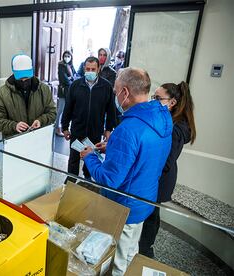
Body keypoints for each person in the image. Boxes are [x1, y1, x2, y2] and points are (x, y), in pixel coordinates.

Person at [80, 67, 173, 275]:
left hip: (125, 206)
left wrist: (90, 157)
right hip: (145, 199)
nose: (115, 96)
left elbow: (109, 179)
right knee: (131, 250)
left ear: (125, 93)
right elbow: (146, 154)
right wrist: (113, 147)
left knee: (118, 262)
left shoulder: (128, 129)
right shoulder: (163, 118)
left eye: (115, 92)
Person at [139, 81, 196, 258]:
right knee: (150, 213)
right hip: (155, 176)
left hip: (160, 178)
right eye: (153, 97)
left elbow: (166, 161)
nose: (153, 101)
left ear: (172, 103)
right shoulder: (167, 121)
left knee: (151, 216)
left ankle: (145, 252)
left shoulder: (177, 128)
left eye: (158, 98)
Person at [61, 56, 116, 182]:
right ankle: (71, 179)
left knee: (91, 156)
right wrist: (64, 127)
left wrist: (108, 129)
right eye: (88, 69)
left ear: (98, 69)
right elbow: (68, 108)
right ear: (84, 69)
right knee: (74, 157)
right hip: (77, 130)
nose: (90, 71)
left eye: (93, 69)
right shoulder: (75, 85)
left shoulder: (106, 87)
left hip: (95, 130)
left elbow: (111, 110)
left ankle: (87, 176)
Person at [0, 54, 56, 138]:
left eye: (27, 78)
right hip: (14, 140)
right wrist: (14, 126)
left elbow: (52, 113)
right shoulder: (3, 93)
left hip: (39, 139)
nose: (24, 81)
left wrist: (41, 121)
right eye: (20, 79)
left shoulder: (44, 90)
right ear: (13, 73)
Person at [55, 50, 76, 136]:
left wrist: (71, 78)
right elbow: (64, 79)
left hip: (69, 91)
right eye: (65, 56)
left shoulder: (70, 65)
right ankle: (57, 128)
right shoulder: (61, 65)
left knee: (66, 110)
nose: (66, 58)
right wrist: (71, 78)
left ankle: (63, 127)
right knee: (60, 110)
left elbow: (75, 76)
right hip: (63, 91)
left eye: (68, 56)